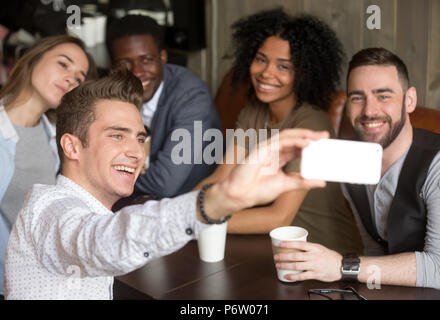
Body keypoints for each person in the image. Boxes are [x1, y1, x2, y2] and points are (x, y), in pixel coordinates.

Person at [4, 70, 328, 299]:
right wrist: (218, 201)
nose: (135, 151)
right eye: (117, 135)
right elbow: (103, 243)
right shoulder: (50, 210)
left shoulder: (88, 210)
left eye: (140, 137)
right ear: (72, 146)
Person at [274, 47, 440, 290]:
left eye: (383, 96)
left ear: (409, 100)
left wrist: (340, 266)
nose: (369, 110)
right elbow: (374, 251)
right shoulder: (349, 159)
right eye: (357, 97)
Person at [195, 8, 362, 254]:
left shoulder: (311, 124)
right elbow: (220, 178)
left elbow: (278, 217)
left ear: (303, 74)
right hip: (270, 249)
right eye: (261, 59)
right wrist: (172, 212)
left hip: (323, 254)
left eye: (283, 66)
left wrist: (199, 220)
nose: (267, 72)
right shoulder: (252, 113)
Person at [0, 35, 95, 299]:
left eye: (79, 77)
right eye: (64, 64)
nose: (71, 79)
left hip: (38, 281)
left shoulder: (53, 136)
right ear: (33, 59)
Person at [106, 14, 222, 199]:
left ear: (163, 56)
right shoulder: (110, 92)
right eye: (125, 63)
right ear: (112, 68)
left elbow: (164, 183)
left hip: (185, 202)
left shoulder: (192, 97)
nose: (137, 72)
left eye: (146, 60)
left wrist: (105, 175)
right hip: (137, 199)